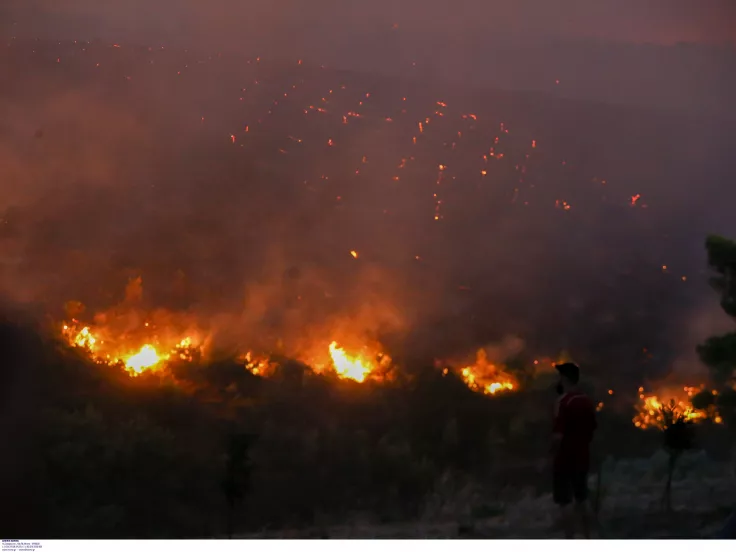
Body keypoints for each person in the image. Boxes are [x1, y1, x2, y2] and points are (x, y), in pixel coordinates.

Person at [551, 362, 597, 538]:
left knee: (565, 502)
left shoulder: (563, 402)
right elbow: (592, 428)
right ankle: (587, 538)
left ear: (565, 379)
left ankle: (569, 539)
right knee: (581, 498)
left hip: (564, 459)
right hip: (582, 457)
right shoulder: (586, 401)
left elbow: (558, 435)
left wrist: (551, 455)